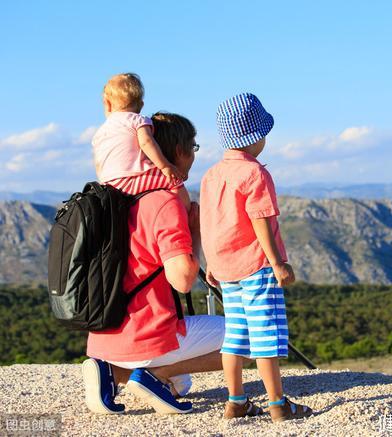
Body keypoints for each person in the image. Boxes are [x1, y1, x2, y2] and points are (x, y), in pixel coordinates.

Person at [82, 112, 224, 415]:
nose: (193, 156)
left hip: (106, 333)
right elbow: (183, 279)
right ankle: (152, 375)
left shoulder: (118, 198)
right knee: (255, 335)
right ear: (178, 152)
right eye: (193, 148)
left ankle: (111, 373)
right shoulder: (164, 201)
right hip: (149, 331)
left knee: (182, 384)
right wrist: (195, 231)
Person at [200, 93, 313, 421]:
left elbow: (209, 223)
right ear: (255, 136)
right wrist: (277, 262)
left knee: (234, 335)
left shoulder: (210, 176)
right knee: (266, 334)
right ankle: (278, 404)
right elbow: (260, 220)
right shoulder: (255, 175)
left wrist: (212, 263)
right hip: (257, 266)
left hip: (225, 268)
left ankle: (236, 401)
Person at [91, 73, 191, 210]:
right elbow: (146, 143)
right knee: (173, 181)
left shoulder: (100, 132)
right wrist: (165, 166)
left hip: (107, 185)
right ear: (141, 105)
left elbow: (98, 162)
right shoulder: (137, 120)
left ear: (107, 104)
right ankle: (187, 212)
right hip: (129, 181)